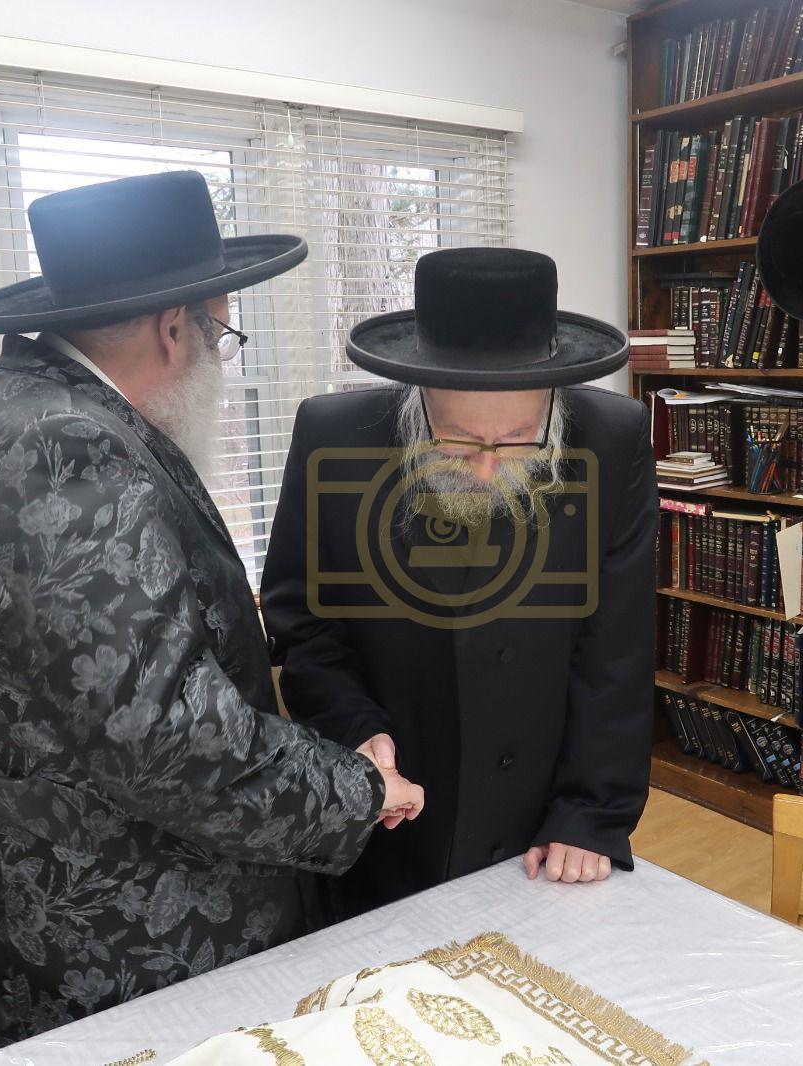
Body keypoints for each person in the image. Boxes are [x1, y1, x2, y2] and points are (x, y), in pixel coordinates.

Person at [0, 170, 423, 1052]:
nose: (221, 358)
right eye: (223, 332)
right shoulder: (71, 451)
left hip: (41, 908)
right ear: (175, 329)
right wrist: (358, 791)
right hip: (138, 933)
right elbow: (162, 734)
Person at [260, 247, 654, 920]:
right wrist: (355, 731)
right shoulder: (334, 437)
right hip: (389, 814)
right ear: (420, 399)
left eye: (519, 438)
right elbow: (304, 626)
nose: (486, 468)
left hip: (541, 830)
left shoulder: (613, 439)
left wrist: (591, 811)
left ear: (553, 403)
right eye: (458, 442)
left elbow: (616, 648)